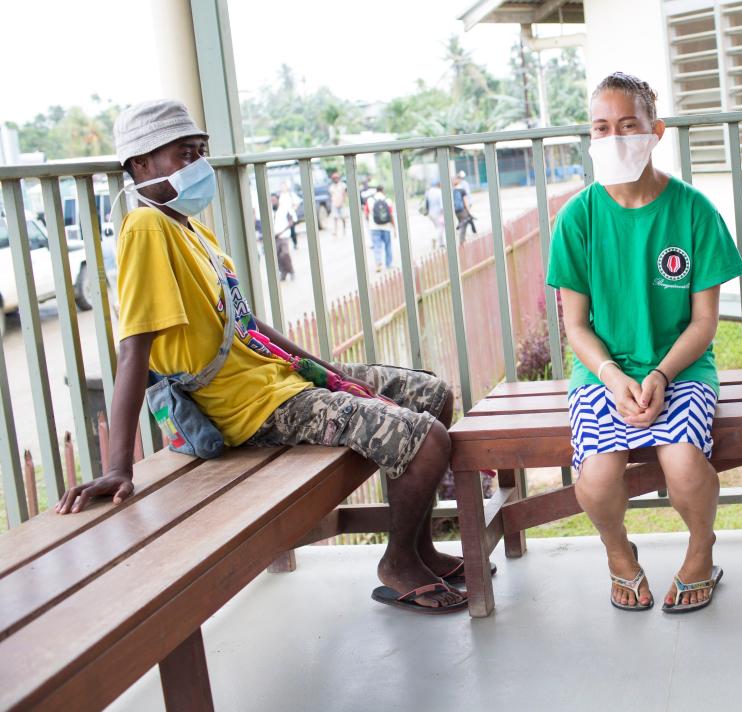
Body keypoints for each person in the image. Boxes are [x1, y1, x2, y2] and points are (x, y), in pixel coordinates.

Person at [55, 99, 472, 614]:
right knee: (425, 438)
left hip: (277, 381)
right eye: (184, 155)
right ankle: (398, 562)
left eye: (201, 153)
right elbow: (133, 350)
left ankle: (420, 547)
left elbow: (247, 326)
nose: (199, 166)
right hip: (247, 407)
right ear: (141, 165)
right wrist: (118, 467)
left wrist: (325, 370)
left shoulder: (188, 229)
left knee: (431, 394)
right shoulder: (146, 229)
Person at [546, 73, 742, 613]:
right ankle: (619, 555)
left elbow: (703, 323)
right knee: (598, 473)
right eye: (601, 128)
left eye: (627, 126)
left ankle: (701, 550)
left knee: (683, 464)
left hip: (681, 370)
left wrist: (659, 376)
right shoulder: (577, 219)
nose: (613, 138)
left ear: (655, 132)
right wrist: (615, 379)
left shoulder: (693, 211)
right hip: (602, 372)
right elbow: (577, 326)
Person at [369, 184, 395, 272]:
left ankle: (378, 263)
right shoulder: (388, 200)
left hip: (374, 227)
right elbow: (391, 214)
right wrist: (394, 227)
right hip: (386, 227)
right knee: (388, 246)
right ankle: (389, 264)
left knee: (377, 246)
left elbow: (366, 213)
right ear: (383, 190)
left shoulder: (370, 200)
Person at [270, 191, 295, 281]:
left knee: (285, 254)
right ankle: (283, 272)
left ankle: (291, 271)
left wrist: (282, 231)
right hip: (274, 238)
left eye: (274, 200)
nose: (272, 202)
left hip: (283, 236)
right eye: (271, 200)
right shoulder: (270, 211)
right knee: (276, 256)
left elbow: (291, 222)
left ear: (277, 200)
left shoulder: (284, 209)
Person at [451, 170, 477, 244]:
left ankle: (465, 233)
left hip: (456, 210)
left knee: (463, 221)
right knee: (465, 222)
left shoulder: (453, 190)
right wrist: (468, 210)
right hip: (463, 208)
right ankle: (462, 241)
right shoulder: (462, 188)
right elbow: (466, 199)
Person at [422, 177, 446, 248]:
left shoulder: (428, 191)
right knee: (441, 227)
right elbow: (442, 204)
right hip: (438, 212)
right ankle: (435, 237)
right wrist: (443, 213)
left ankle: (441, 243)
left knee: (437, 227)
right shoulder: (439, 191)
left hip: (430, 213)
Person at [328, 171, 348, 237]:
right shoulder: (331, 187)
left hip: (341, 204)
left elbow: (345, 194)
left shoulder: (342, 185)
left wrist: (343, 201)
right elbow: (331, 195)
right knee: (335, 218)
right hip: (334, 204)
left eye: (336, 178)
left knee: (343, 218)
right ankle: (335, 231)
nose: (335, 179)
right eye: (334, 178)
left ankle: (344, 230)